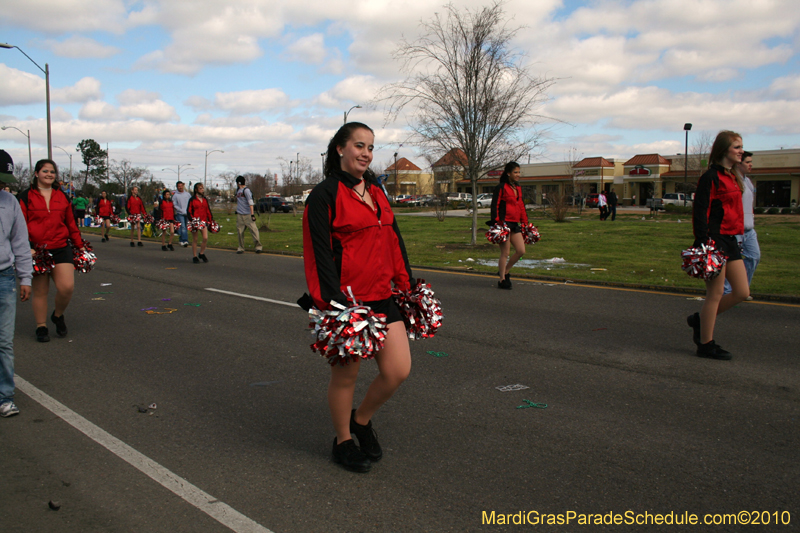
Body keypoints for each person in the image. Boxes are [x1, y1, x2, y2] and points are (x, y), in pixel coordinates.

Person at [301, 122, 414, 473]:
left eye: (370, 147)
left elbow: (393, 239)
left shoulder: (377, 190)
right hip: (348, 304)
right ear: (340, 148)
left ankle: (361, 420)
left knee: (398, 371)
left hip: (382, 295)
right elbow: (318, 255)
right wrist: (334, 305)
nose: (366, 153)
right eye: (359, 145)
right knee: (345, 378)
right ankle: (343, 441)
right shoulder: (324, 195)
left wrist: (406, 283)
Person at [687, 130, 749, 360]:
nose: (741, 151)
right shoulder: (710, 177)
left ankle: (700, 320)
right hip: (714, 240)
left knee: (742, 292)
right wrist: (704, 243)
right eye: (737, 147)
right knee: (715, 293)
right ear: (724, 150)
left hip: (731, 240)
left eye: (741, 147)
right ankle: (706, 344)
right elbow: (700, 212)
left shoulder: (733, 176)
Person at [18, 159, 86, 343]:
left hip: (61, 247)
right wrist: (27, 247)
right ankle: (41, 326)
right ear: (36, 174)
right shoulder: (25, 196)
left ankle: (57, 315)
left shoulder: (62, 196)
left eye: (52, 172)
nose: (49, 174)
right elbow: (20, 225)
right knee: (41, 291)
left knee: (66, 287)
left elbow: (70, 223)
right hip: (37, 251)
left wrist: (79, 245)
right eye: (45, 171)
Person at [0, 151, 33, 417]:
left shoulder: (9, 202)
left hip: (5, 277)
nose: (3, 184)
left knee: (4, 341)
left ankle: (5, 396)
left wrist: (25, 277)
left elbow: (20, 241)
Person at [723, 151, 758, 300]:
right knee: (731, 260)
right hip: (735, 229)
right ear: (738, 164)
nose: (750, 165)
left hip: (749, 229)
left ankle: (742, 290)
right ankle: (727, 292)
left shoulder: (748, 181)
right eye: (747, 162)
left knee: (754, 257)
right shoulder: (732, 180)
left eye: (751, 162)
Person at [489, 161, 528, 290]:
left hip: (514, 224)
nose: (518, 174)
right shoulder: (501, 187)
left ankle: (505, 271)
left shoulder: (518, 188)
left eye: (519, 172)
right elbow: (495, 205)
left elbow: (521, 206)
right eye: (515, 172)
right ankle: (502, 280)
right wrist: (497, 223)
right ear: (508, 173)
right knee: (505, 253)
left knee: (521, 250)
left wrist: (525, 222)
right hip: (503, 224)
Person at [234, 176, 263, 254]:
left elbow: (250, 203)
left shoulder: (246, 191)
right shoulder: (238, 191)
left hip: (248, 215)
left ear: (238, 183)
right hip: (240, 215)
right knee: (240, 232)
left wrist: (252, 214)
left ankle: (258, 247)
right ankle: (241, 248)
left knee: (254, 231)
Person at [187, 183, 213, 263]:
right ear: (196, 190)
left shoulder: (205, 199)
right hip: (195, 221)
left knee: (205, 238)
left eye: (203, 188)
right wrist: (192, 219)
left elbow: (208, 210)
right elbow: (189, 211)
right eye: (200, 188)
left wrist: (210, 220)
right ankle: (194, 256)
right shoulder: (192, 199)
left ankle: (201, 253)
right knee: (195, 239)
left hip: (203, 221)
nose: (202, 190)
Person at [172, 181, 192, 247]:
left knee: (185, 227)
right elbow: (174, 204)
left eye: (181, 186)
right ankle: (184, 240)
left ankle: (181, 240)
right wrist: (179, 209)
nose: (180, 187)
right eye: (179, 186)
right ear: (177, 187)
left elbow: (191, 202)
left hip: (187, 213)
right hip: (180, 213)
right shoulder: (175, 196)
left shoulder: (187, 194)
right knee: (182, 227)